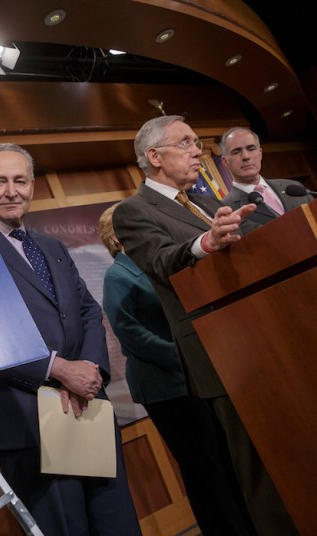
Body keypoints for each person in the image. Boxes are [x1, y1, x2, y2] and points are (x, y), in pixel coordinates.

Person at [112, 115, 298, 535]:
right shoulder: (133, 211)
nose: (199, 151)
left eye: (198, 142)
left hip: (267, 344)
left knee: (292, 453)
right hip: (220, 357)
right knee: (260, 470)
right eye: (187, 143)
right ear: (155, 156)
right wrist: (206, 242)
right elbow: (161, 261)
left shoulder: (210, 202)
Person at [0, 143, 141, 536]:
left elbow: (87, 311)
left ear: (32, 185)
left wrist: (92, 370)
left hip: (86, 405)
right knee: (64, 527)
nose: (11, 191)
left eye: (20, 180)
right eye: (0, 182)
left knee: (115, 521)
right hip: (26, 417)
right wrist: (59, 369)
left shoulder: (51, 247)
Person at [98, 203, 254, 535]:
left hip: (194, 377)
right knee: (202, 470)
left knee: (223, 461)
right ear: (116, 236)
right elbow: (130, 332)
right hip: (165, 387)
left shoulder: (155, 262)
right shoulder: (119, 274)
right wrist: (185, 354)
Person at [220, 126, 313, 223]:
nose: (246, 156)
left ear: (260, 153)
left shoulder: (293, 187)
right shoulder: (226, 209)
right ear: (225, 161)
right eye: (236, 152)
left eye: (251, 149)